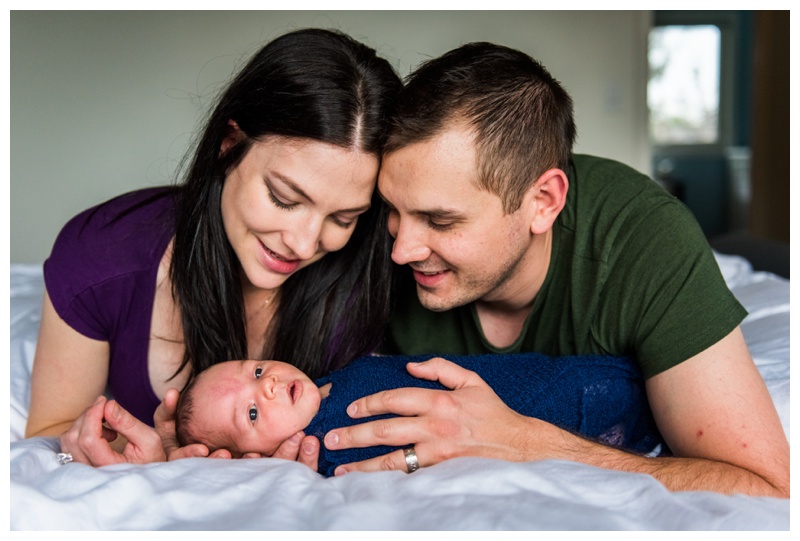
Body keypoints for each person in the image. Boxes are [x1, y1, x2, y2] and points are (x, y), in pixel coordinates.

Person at [318, 42, 790, 497]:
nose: (401, 250)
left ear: (543, 203)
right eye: (394, 211)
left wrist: (526, 444)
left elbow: (768, 487)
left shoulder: (644, 238)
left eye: (441, 221)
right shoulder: (368, 231)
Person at [24, 28, 402, 468]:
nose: (303, 243)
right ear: (229, 143)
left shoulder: (367, 272)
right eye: (284, 198)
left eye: (343, 218)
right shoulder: (103, 258)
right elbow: (50, 434)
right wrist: (146, 458)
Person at [174, 354, 666, 477]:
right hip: (563, 413)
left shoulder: (326, 379)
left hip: (536, 373)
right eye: (255, 411)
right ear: (257, 457)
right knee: (627, 408)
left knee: (632, 379)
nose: (271, 384)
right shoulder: (326, 446)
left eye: (257, 369)